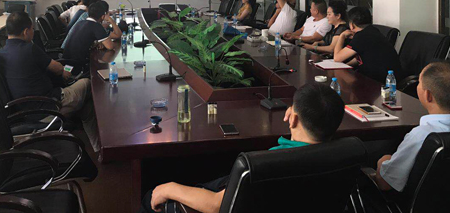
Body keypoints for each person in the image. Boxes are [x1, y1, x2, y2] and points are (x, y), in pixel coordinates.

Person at [140, 83, 345, 213]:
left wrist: (169, 188)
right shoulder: (345, 156)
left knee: (151, 197)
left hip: (228, 201)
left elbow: (216, 205)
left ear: (292, 118)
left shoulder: (269, 164)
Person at [373, 61, 450, 193]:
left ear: (428, 95)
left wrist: (383, 161)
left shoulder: (420, 136)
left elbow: (385, 184)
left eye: (419, 82)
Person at [0, 11, 100, 151]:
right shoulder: (29, 49)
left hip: (24, 109)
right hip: (48, 107)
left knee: (85, 104)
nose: (33, 32)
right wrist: (65, 72)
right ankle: (100, 144)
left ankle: (97, 146)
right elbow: (58, 69)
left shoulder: (1, 53)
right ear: (26, 31)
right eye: (32, 29)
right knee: (88, 82)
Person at [333, 7, 403, 83]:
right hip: (387, 75)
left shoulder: (362, 36)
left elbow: (337, 58)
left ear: (352, 25)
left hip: (379, 81)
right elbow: (362, 57)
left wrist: (342, 36)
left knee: (343, 83)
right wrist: (346, 65)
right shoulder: (372, 31)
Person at [62, 1, 121, 72]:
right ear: (103, 16)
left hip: (66, 64)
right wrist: (111, 20)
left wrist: (97, 43)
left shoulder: (80, 23)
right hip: (77, 66)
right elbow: (110, 46)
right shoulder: (96, 26)